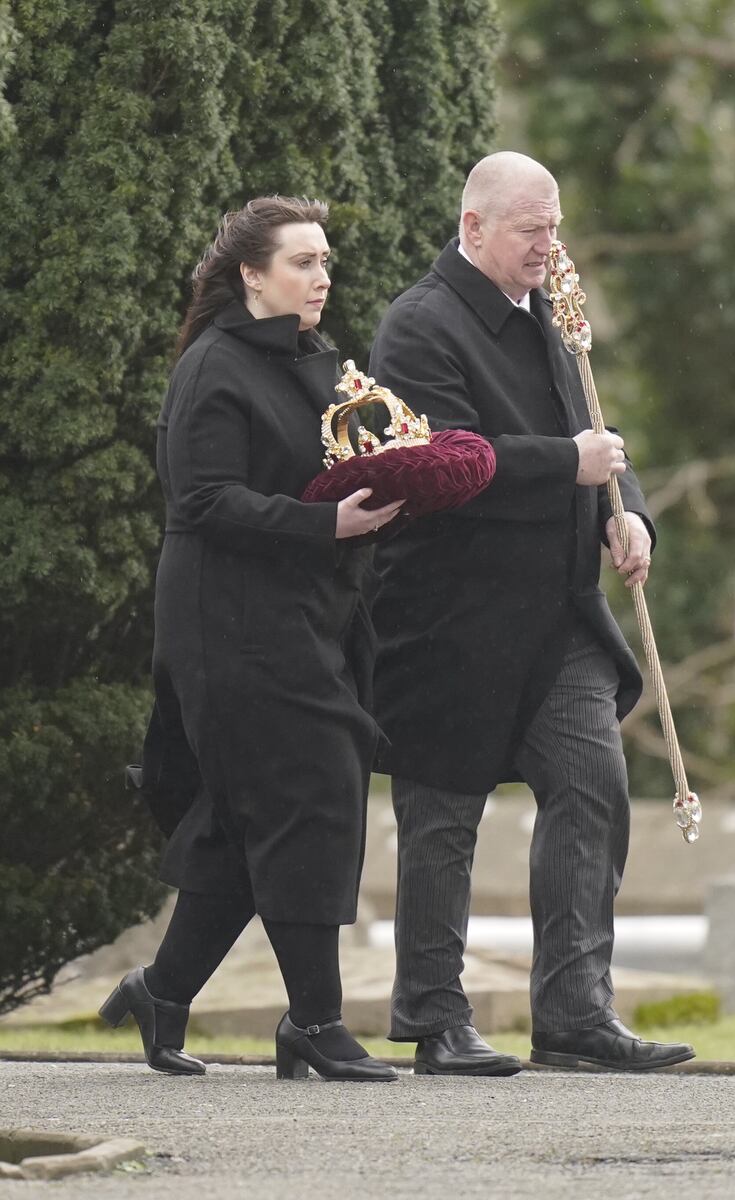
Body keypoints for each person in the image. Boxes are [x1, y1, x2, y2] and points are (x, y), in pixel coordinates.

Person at [369, 152, 695, 1075]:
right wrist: (575, 469)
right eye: (529, 231)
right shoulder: (417, 326)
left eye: (555, 229)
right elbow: (447, 464)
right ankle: (435, 1019)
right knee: (442, 814)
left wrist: (625, 510)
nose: (549, 248)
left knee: (593, 785)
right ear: (473, 228)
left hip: (559, 617)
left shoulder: (549, 312)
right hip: (448, 618)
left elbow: (598, 430)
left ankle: (574, 1013)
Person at [99, 195, 402, 1082]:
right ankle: (315, 1020)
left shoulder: (320, 360)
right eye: (302, 262)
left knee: (249, 820)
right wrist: (328, 528)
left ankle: (162, 991)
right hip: (224, 621)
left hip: (305, 611)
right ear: (252, 276)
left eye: (324, 260)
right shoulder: (214, 368)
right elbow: (201, 502)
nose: (322, 276)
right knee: (312, 785)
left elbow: (332, 471)